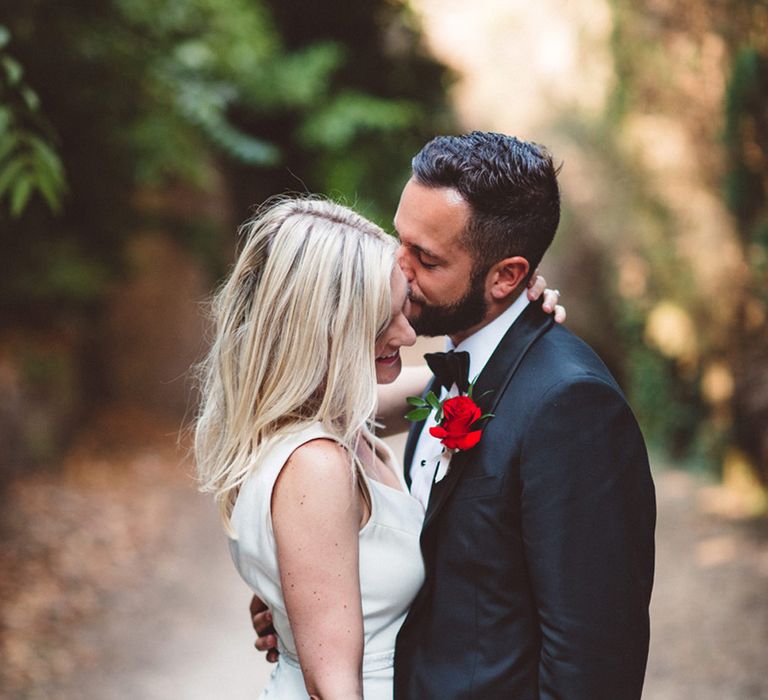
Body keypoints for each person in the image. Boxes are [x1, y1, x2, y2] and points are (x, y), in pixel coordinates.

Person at [253, 132, 656, 700]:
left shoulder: (571, 407)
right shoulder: (449, 378)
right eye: (401, 241)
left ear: (507, 276)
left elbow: (594, 663)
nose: (399, 268)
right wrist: (303, 599)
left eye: (428, 258)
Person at [195, 194, 566, 699]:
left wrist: (509, 322)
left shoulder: (322, 418)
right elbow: (333, 688)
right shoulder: (318, 465)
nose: (408, 332)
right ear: (332, 327)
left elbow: (452, 383)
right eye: (388, 315)